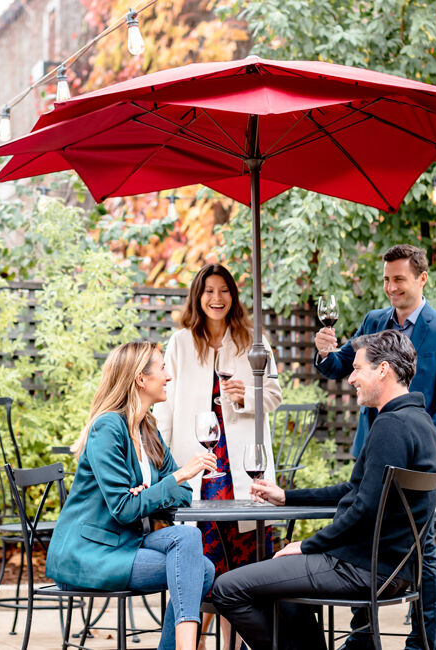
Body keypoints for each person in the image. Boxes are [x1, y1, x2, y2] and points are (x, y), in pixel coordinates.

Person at [211, 330, 436, 650]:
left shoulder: (391, 427)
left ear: (383, 369)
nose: (350, 378)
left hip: (362, 569)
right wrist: (288, 496)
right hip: (396, 571)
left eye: (357, 368)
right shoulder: (421, 423)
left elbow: (365, 510)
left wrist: (308, 545)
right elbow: (356, 489)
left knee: (227, 588)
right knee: (282, 585)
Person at [314, 243, 436, 649]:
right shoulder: (374, 321)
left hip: (417, 462)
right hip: (372, 452)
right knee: (365, 533)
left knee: (423, 550)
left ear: (421, 278)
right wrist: (324, 350)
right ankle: (362, 638)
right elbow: (339, 366)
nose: (391, 287)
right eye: (386, 279)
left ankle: (420, 644)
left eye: (399, 279)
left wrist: (418, 445)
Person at [45, 341, 217, 650]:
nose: (168, 376)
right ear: (141, 378)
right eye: (163, 368)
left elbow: (183, 494)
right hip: (90, 553)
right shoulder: (108, 428)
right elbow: (125, 509)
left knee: (195, 553)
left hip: (127, 541)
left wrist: (152, 492)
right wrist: (174, 478)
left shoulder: (147, 428)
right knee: (197, 567)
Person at [154, 263, 282, 644]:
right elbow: (164, 409)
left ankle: (235, 644)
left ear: (233, 295)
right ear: (198, 296)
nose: (216, 298)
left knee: (244, 564)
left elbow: (274, 395)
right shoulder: (179, 343)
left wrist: (247, 397)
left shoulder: (253, 340)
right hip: (199, 469)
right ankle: (189, 642)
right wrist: (162, 468)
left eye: (224, 290)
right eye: (209, 290)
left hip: (244, 464)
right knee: (202, 564)